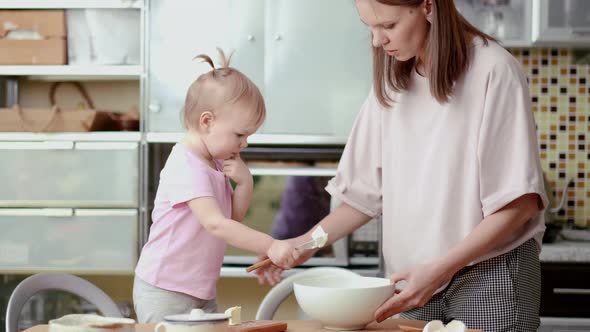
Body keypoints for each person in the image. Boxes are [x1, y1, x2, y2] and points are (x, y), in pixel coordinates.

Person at [260, 1, 548, 331]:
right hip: (414, 280)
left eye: (388, 26)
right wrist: (304, 245)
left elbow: (520, 204)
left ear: (427, 6)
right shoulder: (392, 79)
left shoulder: (494, 70)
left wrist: (442, 269)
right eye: (369, 27)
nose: (376, 41)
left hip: (488, 274)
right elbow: (359, 198)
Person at [133, 49, 295, 323]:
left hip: (199, 289)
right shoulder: (187, 165)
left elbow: (232, 220)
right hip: (166, 289)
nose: (244, 144)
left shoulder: (215, 163)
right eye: (240, 134)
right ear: (207, 122)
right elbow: (217, 225)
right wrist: (270, 244)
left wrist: (245, 183)